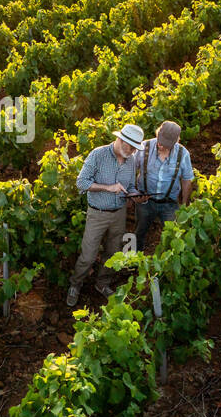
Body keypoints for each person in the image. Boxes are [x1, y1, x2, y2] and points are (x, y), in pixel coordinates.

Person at [67, 123, 144, 307]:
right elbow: (81, 182)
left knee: (113, 252)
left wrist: (135, 195)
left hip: (119, 214)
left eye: (135, 148)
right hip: (97, 214)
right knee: (88, 255)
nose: (133, 151)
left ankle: (102, 284)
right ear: (120, 139)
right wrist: (108, 188)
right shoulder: (98, 154)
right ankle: (75, 285)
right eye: (131, 146)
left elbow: (130, 186)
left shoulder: (131, 160)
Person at [132, 120, 194, 247]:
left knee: (173, 235)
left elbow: (186, 180)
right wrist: (133, 192)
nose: (161, 145)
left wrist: (184, 204)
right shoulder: (144, 147)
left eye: (166, 144)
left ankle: (167, 263)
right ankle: (134, 260)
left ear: (176, 141)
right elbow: (129, 170)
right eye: (160, 140)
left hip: (169, 203)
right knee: (139, 232)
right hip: (145, 200)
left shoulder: (182, 154)